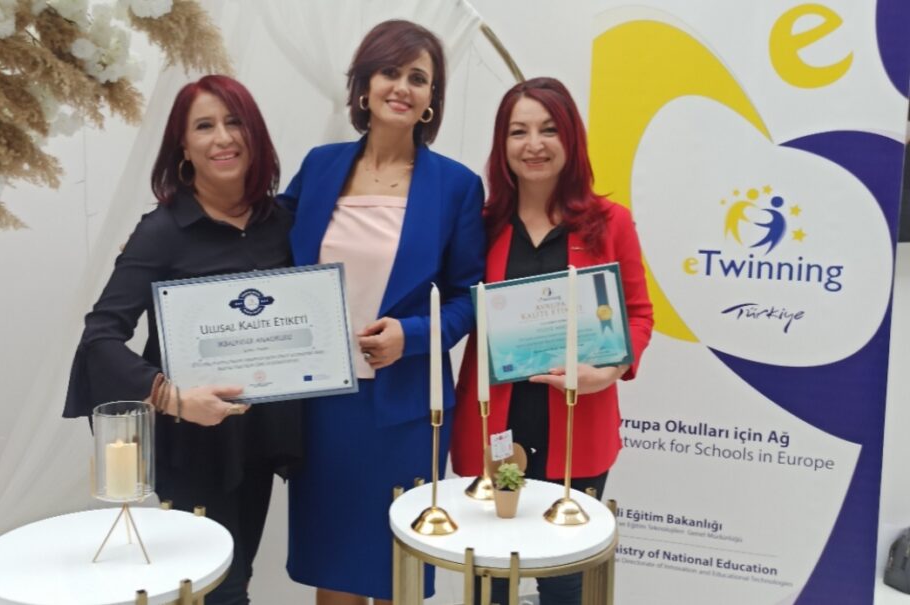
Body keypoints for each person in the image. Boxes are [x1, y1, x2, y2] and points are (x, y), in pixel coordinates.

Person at [63, 75, 301, 605]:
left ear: (255, 133)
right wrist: (173, 398)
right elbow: (100, 336)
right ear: (183, 148)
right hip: (193, 444)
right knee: (219, 592)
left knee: (238, 576)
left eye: (234, 122)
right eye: (204, 126)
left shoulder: (281, 222)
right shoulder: (162, 231)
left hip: (259, 439)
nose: (223, 138)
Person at [281, 19, 485, 605]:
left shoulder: (456, 186)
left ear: (431, 99)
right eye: (390, 72)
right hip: (323, 405)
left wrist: (412, 335)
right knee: (335, 569)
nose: (402, 86)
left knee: (399, 572)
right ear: (364, 86)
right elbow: (262, 246)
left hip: (404, 410)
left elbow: (470, 298)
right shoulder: (320, 166)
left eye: (418, 78)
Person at [451, 77, 655, 605]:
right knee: (491, 575)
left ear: (571, 138)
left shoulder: (610, 223)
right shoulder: (481, 225)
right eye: (518, 131)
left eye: (548, 130)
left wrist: (607, 372)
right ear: (502, 144)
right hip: (496, 425)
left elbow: (638, 315)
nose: (533, 145)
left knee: (566, 580)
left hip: (576, 424)